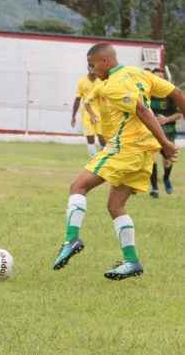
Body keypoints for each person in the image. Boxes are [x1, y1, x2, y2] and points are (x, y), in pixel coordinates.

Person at [53, 43, 185, 280]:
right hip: (144, 152)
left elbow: (143, 111)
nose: (92, 71)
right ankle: (132, 261)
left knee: (78, 187)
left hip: (127, 146)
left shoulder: (114, 85)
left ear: (105, 61)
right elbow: (176, 93)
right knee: (115, 206)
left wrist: (165, 143)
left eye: (92, 65)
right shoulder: (137, 73)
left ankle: (71, 240)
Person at [149, 67, 183, 198]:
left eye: (161, 77)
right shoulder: (146, 93)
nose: (159, 80)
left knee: (168, 160)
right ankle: (155, 188)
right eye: (156, 77)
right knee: (151, 160)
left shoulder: (171, 94)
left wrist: (166, 119)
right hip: (150, 133)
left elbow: (179, 114)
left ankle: (166, 178)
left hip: (168, 132)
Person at [71, 69, 105, 155]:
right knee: (90, 137)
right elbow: (77, 99)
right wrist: (73, 116)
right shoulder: (82, 82)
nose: (92, 68)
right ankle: (94, 158)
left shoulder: (101, 81)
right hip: (86, 113)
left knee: (102, 137)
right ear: (88, 68)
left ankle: (103, 157)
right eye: (90, 66)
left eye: (94, 66)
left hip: (100, 113)